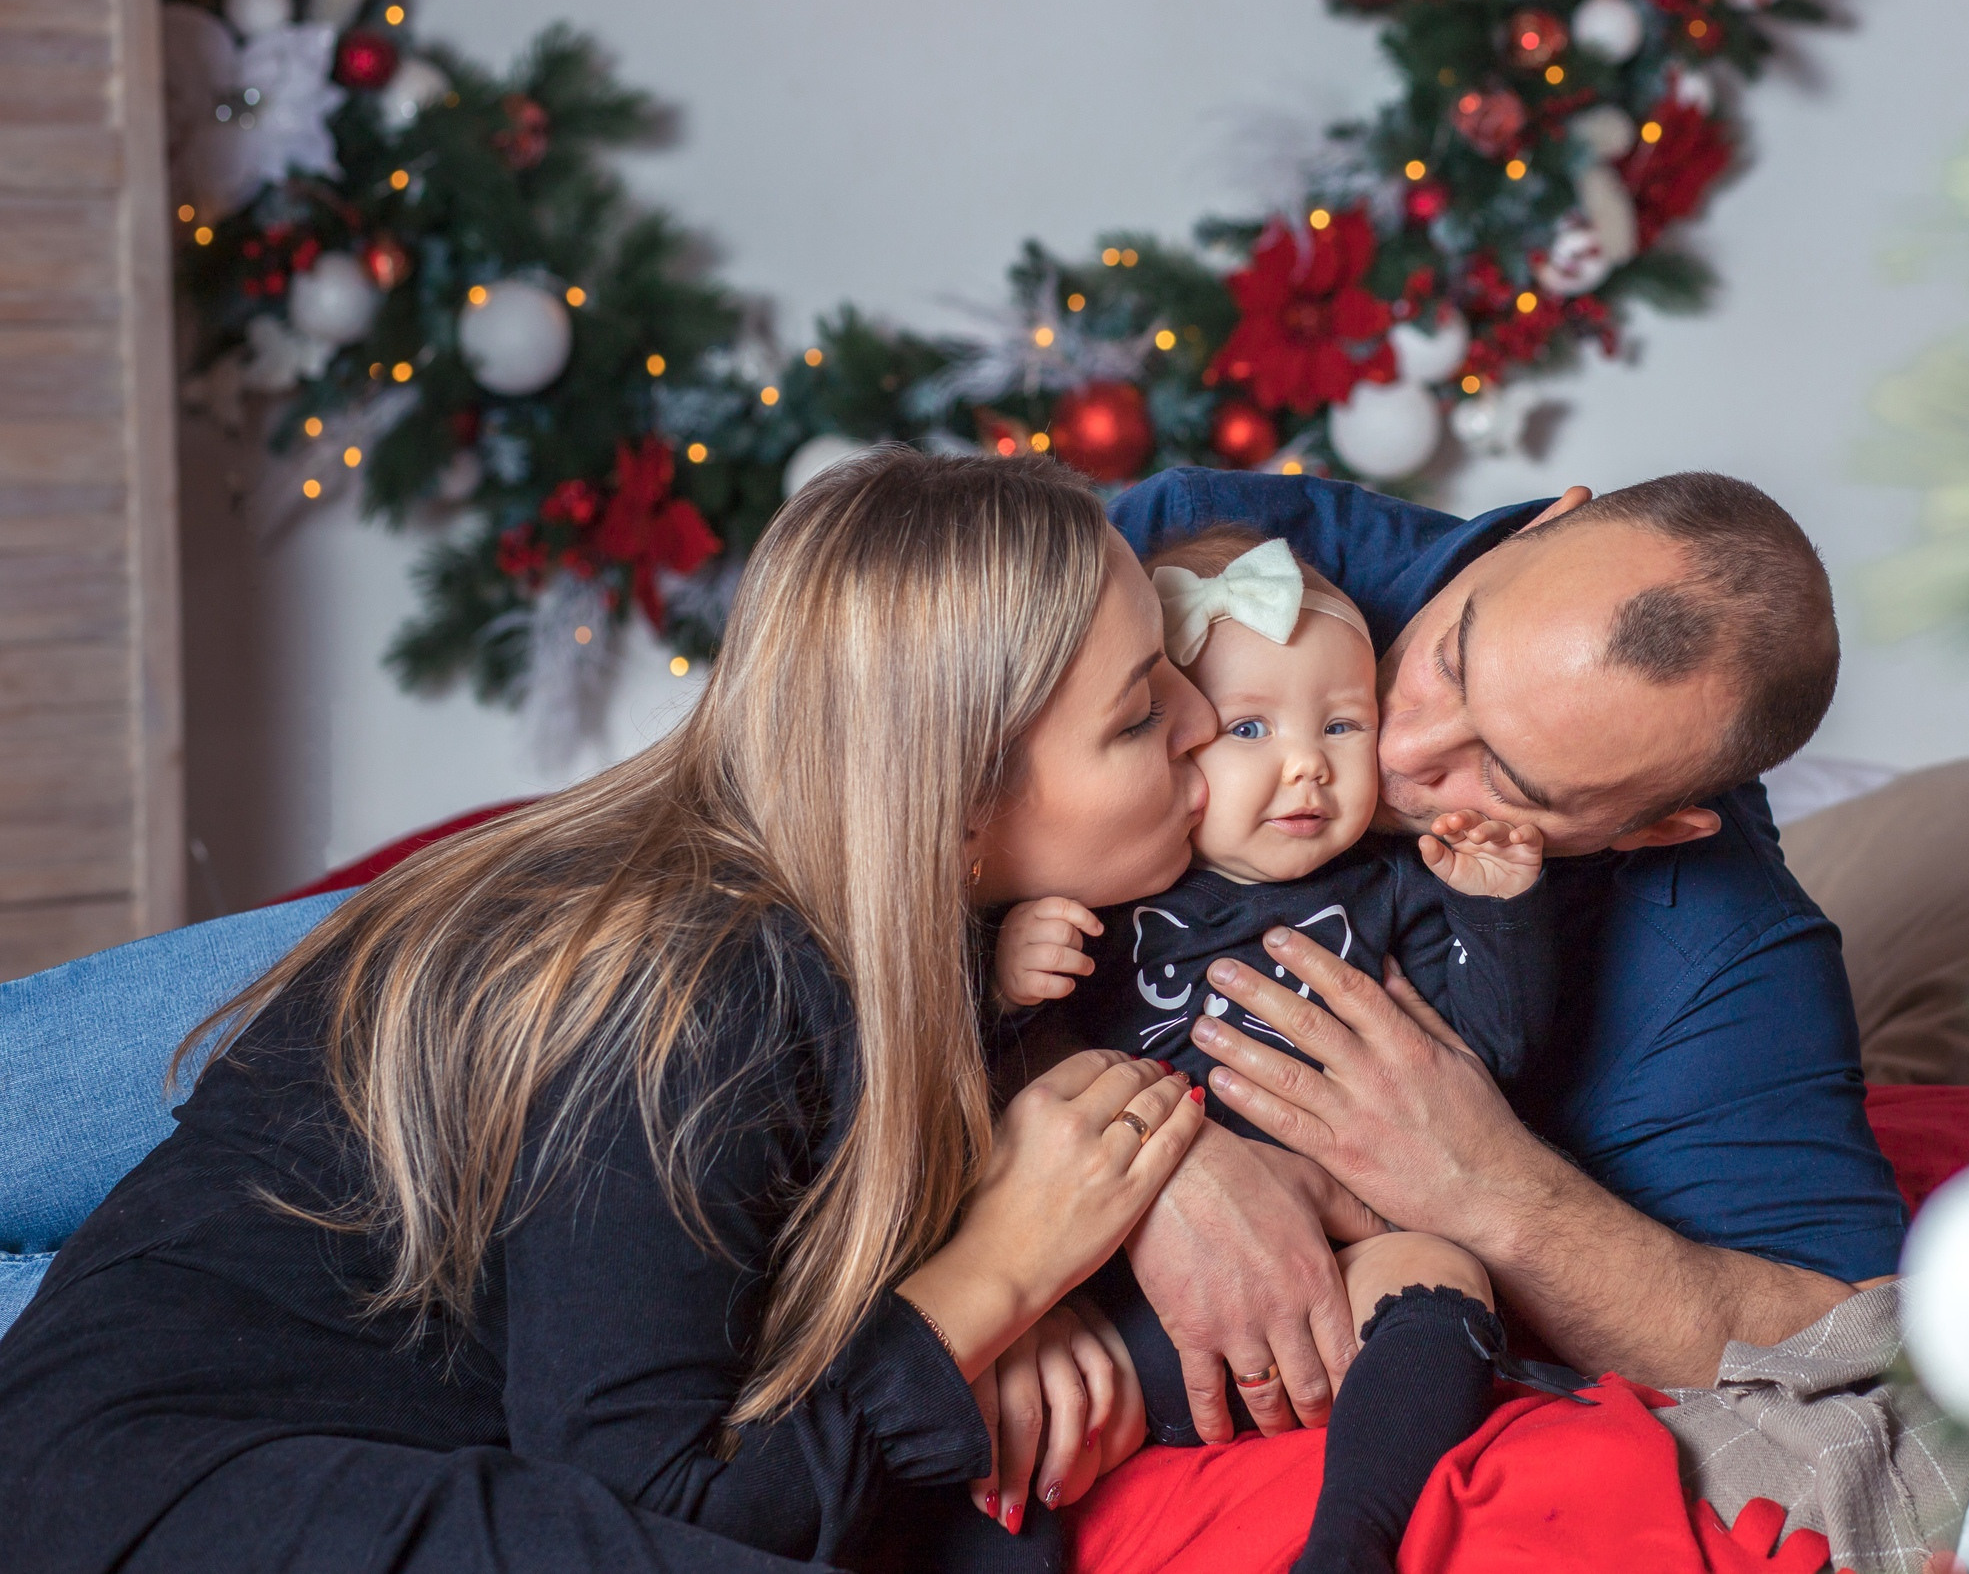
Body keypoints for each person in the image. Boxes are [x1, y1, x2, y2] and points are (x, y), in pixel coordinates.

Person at [0, 450, 1226, 1574]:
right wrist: (993, 1279)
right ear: (954, 805)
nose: (1204, 722)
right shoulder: (704, 990)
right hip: (170, 1485)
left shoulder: (896, 929)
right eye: (1135, 715)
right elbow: (660, 1505)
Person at [1103, 467, 1910, 1445]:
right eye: (1453, 659)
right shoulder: (1218, 551)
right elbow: (906, 824)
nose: (1397, 750)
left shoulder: (1726, 957)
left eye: (1502, 773)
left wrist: (1481, 1189)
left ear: (1655, 829)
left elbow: (1846, 1339)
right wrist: (1148, 1161)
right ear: (1544, 524)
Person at [994, 528, 1562, 1574]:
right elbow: (1002, 1097)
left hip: (1329, 1286)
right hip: (1123, 1288)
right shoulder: (1112, 891)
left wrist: (1500, 919)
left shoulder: (1398, 888)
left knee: (1438, 1270)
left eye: (1342, 724)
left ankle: (1351, 1542)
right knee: (1023, 1375)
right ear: (1168, 735)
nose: (1306, 763)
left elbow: (1489, 1061)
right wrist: (1007, 977)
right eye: (1249, 726)